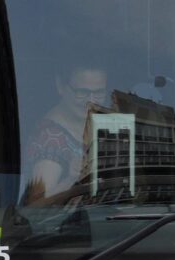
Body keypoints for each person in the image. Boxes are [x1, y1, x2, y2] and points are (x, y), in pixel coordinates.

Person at [22, 62, 110, 203]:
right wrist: (72, 179)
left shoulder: (95, 122)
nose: (91, 101)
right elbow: (36, 204)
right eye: (82, 92)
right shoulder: (50, 138)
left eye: (99, 93)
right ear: (60, 86)